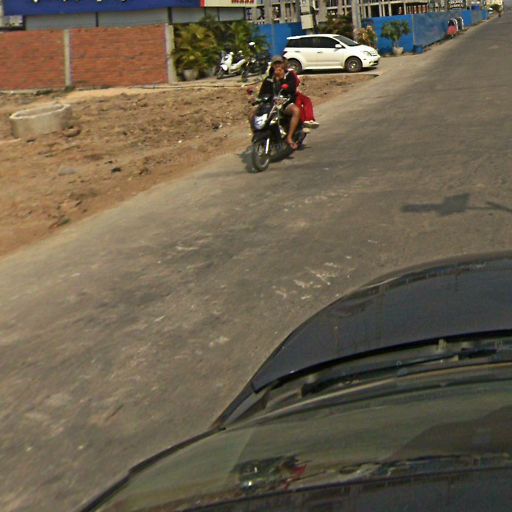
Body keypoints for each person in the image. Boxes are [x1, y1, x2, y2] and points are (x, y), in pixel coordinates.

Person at [257, 57, 302, 149]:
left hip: (285, 102)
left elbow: (292, 88)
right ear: (272, 65)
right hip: (270, 104)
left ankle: (289, 137)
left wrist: (281, 80)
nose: (277, 66)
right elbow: (262, 93)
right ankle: (257, 134)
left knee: (296, 111)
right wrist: (259, 99)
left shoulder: (289, 75)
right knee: (252, 113)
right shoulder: (269, 78)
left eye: (279, 63)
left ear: (283, 64)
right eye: (275, 64)